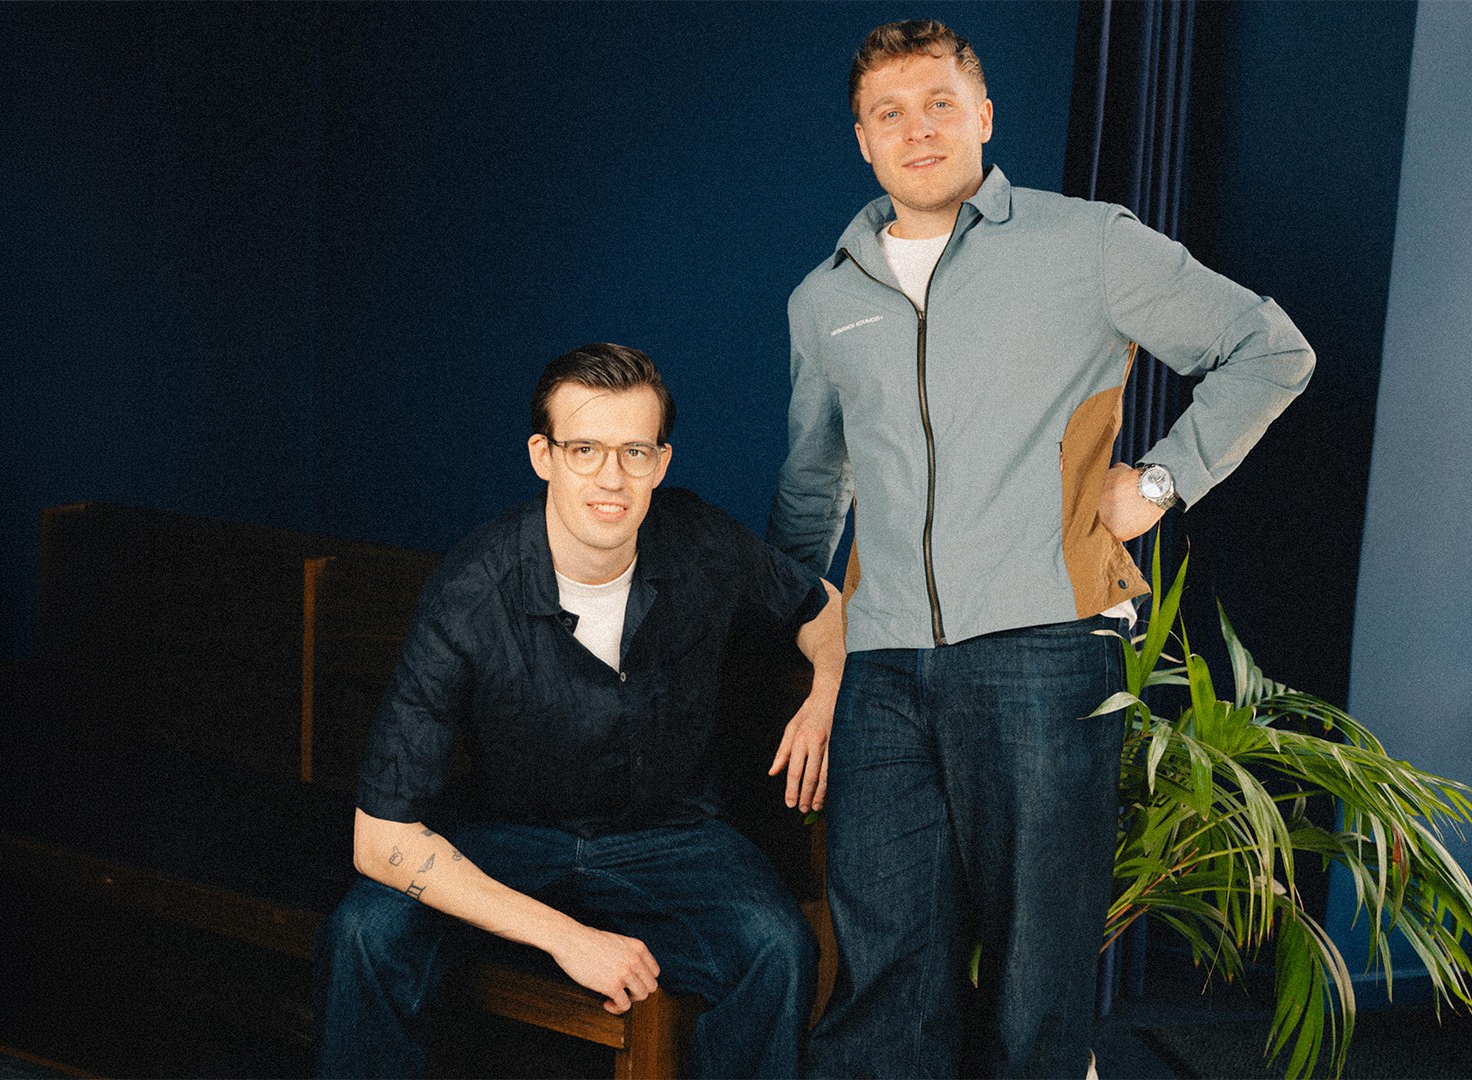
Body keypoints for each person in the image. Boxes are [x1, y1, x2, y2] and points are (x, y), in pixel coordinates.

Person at [768, 21, 1316, 1078]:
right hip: (881, 669)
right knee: (887, 971)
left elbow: (1268, 348)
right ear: (863, 142)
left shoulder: (1088, 244)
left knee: (1036, 978)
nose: (917, 129)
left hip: (1045, 651)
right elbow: (808, 488)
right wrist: (809, 639)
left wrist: (1161, 481)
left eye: (939, 103)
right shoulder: (824, 298)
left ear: (983, 116)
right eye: (890, 113)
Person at [316, 343, 846, 1078]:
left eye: (634, 451)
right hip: (508, 841)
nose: (611, 477)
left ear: (661, 462)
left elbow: (822, 607)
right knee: (366, 934)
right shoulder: (470, 591)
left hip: (671, 837)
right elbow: (379, 841)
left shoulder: (700, 541)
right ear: (543, 455)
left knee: (777, 948)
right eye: (585, 448)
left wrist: (823, 697)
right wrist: (566, 936)